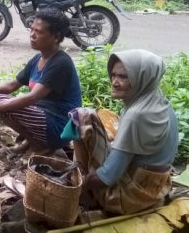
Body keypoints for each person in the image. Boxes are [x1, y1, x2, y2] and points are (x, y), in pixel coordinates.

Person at [65, 49, 177, 215]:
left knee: (82, 117)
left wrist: (78, 185)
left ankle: (84, 188)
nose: (115, 82)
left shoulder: (136, 116)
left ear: (142, 78)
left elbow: (108, 176)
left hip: (129, 198)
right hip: (155, 189)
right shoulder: (158, 101)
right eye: (114, 75)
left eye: (123, 77)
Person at [0, 8, 82, 155]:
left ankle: (41, 146)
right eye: (31, 30)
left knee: (2, 104)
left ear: (56, 36)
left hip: (61, 125)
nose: (32, 35)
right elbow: (12, 85)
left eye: (39, 32)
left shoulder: (61, 62)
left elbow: (32, 97)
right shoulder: (38, 59)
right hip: (45, 117)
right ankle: (31, 142)